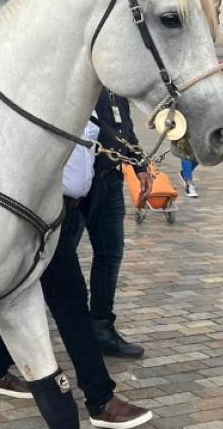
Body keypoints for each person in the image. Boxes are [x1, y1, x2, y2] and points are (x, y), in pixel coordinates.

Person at [0, 120, 153, 429]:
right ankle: (100, 399)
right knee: (68, 305)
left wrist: (138, 161)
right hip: (41, 213)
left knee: (27, 299)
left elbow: (114, 126)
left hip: (63, 209)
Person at [71, 90, 147, 359]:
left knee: (110, 254)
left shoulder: (117, 88)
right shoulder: (84, 77)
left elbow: (124, 128)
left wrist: (140, 165)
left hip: (110, 180)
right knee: (61, 259)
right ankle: (74, 324)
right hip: (77, 183)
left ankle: (101, 326)